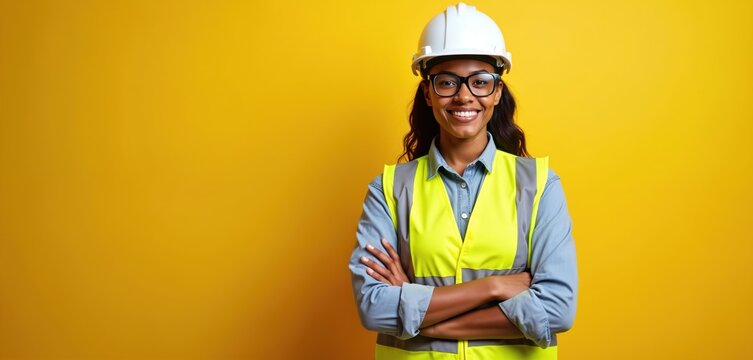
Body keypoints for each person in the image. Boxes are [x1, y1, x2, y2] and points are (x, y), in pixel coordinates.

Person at [348, 3, 578, 359]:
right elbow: (374, 308)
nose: (464, 95)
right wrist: (495, 287)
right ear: (428, 93)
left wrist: (419, 318)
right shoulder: (389, 190)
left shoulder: (539, 185)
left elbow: (557, 310)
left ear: (497, 92)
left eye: (480, 81)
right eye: (447, 82)